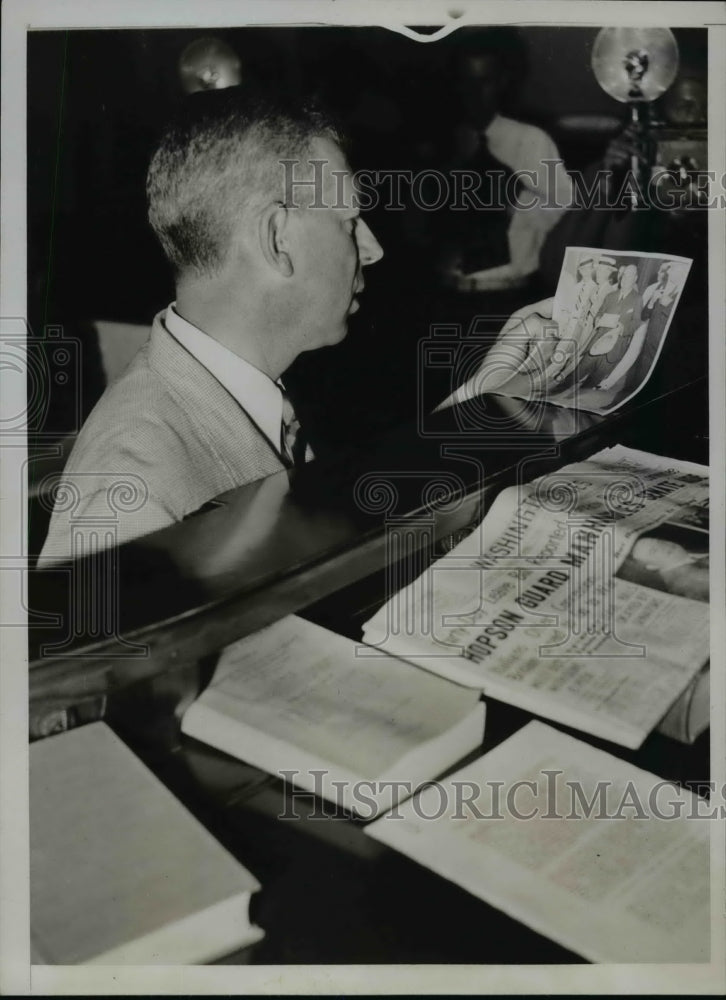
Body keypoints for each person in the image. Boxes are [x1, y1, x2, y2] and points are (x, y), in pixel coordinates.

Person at [39, 88, 383, 565]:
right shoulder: (132, 490)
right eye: (349, 223)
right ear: (276, 239)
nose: (372, 249)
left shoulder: (251, 393)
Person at [437, 29, 573, 293]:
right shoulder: (441, 142)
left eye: (484, 81)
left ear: (502, 82)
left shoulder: (531, 141)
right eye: (466, 81)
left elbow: (566, 214)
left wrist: (514, 197)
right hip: (446, 291)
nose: (474, 93)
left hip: (507, 291)